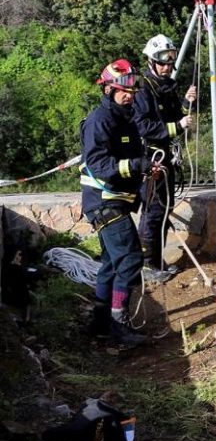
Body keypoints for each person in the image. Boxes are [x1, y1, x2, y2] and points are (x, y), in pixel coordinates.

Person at [80, 59, 150, 348]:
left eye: (132, 90)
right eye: (123, 90)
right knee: (130, 258)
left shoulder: (124, 116)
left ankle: (99, 322)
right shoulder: (100, 120)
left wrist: (146, 166)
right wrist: (136, 164)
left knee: (110, 263)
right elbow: (98, 164)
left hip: (115, 200)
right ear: (107, 89)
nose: (128, 95)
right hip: (103, 201)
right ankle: (119, 327)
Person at [133, 34, 197, 283]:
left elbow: (174, 115)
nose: (167, 65)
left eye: (170, 61)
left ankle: (157, 261)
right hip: (151, 157)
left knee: (164, 208)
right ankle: (148, 264)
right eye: (162, 61)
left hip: (165, 156)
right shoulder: (143, 90)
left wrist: (186, 102)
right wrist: (177, 126)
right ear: (151, 61)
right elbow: (145, 126)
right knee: (153, 210)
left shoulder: (166, 85)